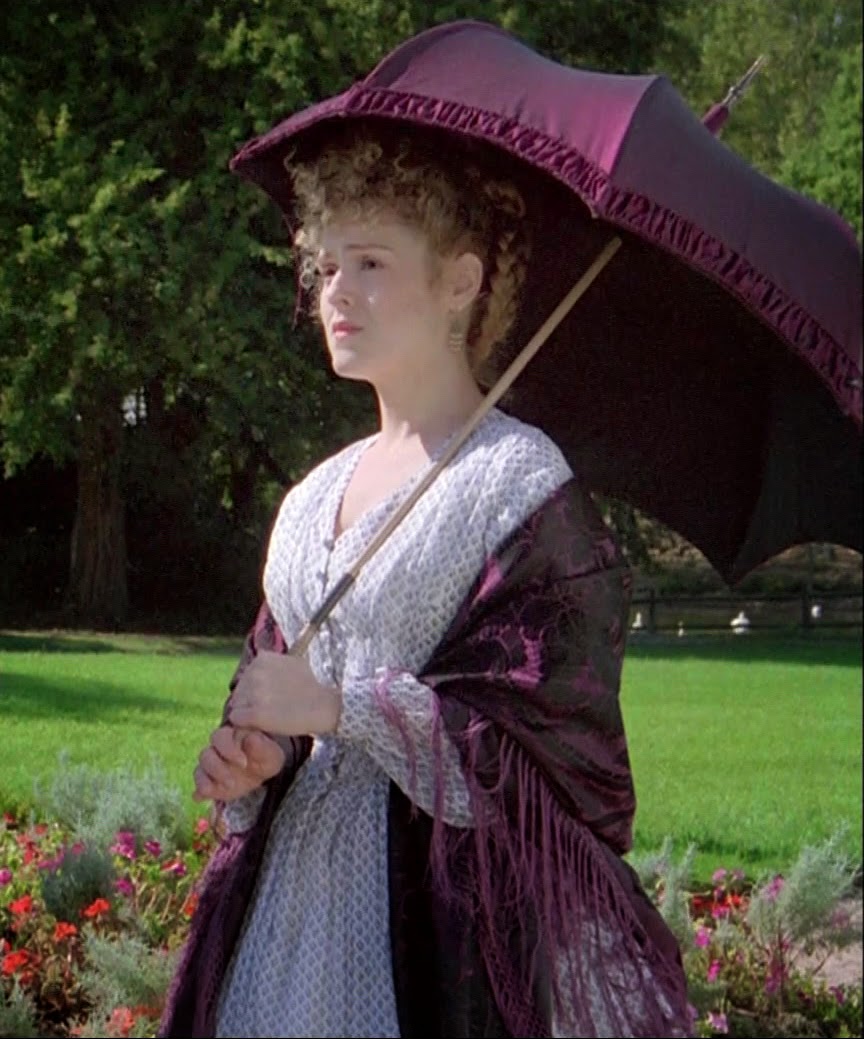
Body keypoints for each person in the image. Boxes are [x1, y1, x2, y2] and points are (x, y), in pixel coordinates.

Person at [159, 121, 691, 1039]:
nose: (336, 291)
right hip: (283, 921)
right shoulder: (310, 499)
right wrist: (258, 753)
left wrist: (340, 708)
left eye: (371, 262)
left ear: (460, 282)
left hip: (439, 935)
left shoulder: (518, 487)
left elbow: (548, 745)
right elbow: (275, 680)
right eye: (325, 265)